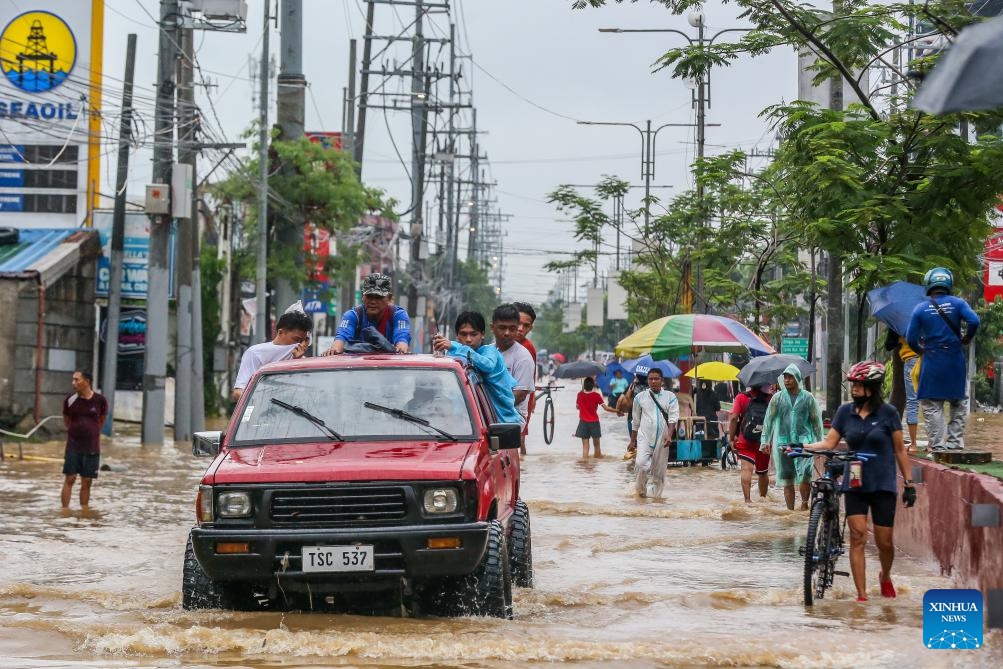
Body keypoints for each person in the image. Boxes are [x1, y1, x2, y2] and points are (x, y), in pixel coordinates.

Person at [803, 361, 916, 602]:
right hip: (855, 480)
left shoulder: (889, 414)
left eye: (859, 385)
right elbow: (829, 443)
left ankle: (885, 576)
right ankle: (862, 596)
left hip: (883, 481)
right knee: (858, 535)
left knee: (885, 542)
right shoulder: (845, 412)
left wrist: (909, 483)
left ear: (872, 388)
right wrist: (801, 446)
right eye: (852, 385)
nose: (853, 389)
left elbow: (900, 450)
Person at [906, 267, 980, 452]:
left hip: (932, 360)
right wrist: (967, 338)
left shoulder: (920, 309)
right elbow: (974, 321)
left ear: (929, 283)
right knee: (958, 402)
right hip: (955, 360)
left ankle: (938, 446)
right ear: (948, 283)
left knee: (932, 404)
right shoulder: (958, 303)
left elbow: (910, 338)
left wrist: (921, 350)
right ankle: (954, 444)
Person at [432, 311, 521, 424]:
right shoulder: (456, 355)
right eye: (464, 334)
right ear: (457, 335)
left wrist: (455, 345)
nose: (468, 339)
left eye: (473, 334)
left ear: (482, 334)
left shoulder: (490, 352)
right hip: (469, 424)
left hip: (504, 423)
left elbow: (487, 365)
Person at [760, 364, 824, 510]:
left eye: (790, 377)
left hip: (804, 443)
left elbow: (816, 422)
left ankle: (804, 503)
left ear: (797, 378)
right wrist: (765, 441)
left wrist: (820, 444)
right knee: (787, 479)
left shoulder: (808, 398)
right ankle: (790, 512)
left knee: (805, 475)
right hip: (783, 444)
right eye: (785, 377)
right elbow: (768, 420)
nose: (787, 380)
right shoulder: (778, 398)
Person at [232, 306, 312, 401]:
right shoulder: (256, 353)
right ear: (280, 332)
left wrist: (297, 361)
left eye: (303, 341)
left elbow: (303, 394)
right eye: (296, 339)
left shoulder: (303, 361)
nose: (300, 344)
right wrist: (262, 403)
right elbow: (238, 393)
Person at [324, 273, 411, 355]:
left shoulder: (398, 315)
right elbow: (342, 337)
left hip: (389, 368)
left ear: (389, 298)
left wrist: (402, 348)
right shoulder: (353, 315)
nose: (373, 301)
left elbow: (402, 338)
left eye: (378, 297)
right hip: (357, 368)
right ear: (363, 296)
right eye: (369, 296)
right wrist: (334, 350)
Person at [628, 367, 679, 498]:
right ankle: (640, 492)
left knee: (659, 473)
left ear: (662, 381)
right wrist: (632, 440)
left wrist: (669, 435)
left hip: (662, 438)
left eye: (656, 378)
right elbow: (635, 420)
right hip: (644, 436)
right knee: (641, 463)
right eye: (651, 379)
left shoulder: (670, 397)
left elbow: (673, 417)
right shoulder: (640, 398)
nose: (653, 381)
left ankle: (656, 502)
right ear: (647, 380)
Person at [61, 370, 108, 509]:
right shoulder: (70, 400)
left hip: (92, 447)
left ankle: (84, 512)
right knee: (70, 478)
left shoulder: (100, 400)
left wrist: (91, 432)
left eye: (77, 380)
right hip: (73, 446)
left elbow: (101, 420)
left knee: (87, 481)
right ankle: (64, 511)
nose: (73, 383)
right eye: (73, 380)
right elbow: (67, 420)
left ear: (87, 382)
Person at [493, 304, 535, 452]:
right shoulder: (488, 352)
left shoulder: (523, 355)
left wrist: (486, 405)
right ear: (492, 328)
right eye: (502, 328)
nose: (507, 333)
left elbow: (520, 395)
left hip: (510, 417)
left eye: (512, 328)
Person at [728, 384, 773, 504]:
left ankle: (747, 500)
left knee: (746, 469)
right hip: (764, 441)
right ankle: (763, 499)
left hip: (746, 439)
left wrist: (731, 438)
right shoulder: (771, 398)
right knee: (763, 472)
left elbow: (733, 418)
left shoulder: (741, 397)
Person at [883, 328, 920, 453]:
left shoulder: (899, 320)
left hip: (911, 359)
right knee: (930, 402)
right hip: (931, 359)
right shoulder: (929, 312)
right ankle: (934, 444)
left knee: (912, 401)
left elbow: (889, 344)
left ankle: (914, 444)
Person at [575, 377, 614, 460]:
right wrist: (617, 410)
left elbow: (577, 407)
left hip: (583, 422)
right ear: (593, 386)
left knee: (585, 446)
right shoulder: (596, 395)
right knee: (597, 445)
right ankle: (596, 466)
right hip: (594, 423)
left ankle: (585, 463)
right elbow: (606, 408)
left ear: (584, 385)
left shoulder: (580, 394)